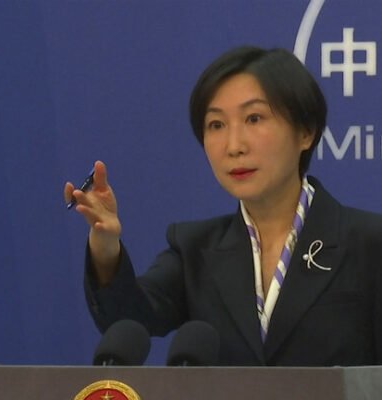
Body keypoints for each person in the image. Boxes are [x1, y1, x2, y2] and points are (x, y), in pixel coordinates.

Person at [63, 46, 382, 366]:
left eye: (254, 118)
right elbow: (129, 321)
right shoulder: (195, 249)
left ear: (306, 131)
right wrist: (106, 247)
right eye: (216, 125)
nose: (234, 146)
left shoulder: (369, 245)